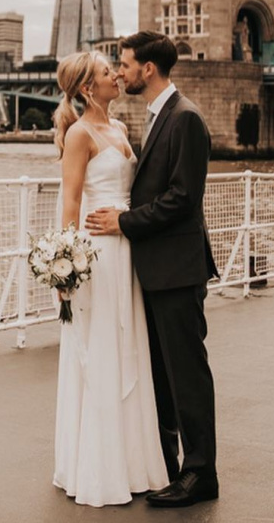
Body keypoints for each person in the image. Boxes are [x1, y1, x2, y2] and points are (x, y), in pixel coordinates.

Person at [86, 31, 219, 509]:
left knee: (187, 375)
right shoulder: (159, 115)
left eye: (124, 64)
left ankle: (201, 474)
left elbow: (182, 198)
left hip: (178, 269)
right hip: (158, 268)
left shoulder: (185, 118)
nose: (120, 72)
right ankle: (170, 466)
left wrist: (123, 222)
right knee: (163, 376)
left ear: (147, 69)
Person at [52, 50, 168, 507]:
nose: (116, 76)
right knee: (101, 348)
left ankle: (133, 463)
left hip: (127, 249)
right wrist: (66, 262)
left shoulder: (118, 128)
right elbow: (70, 201)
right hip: (98, 253)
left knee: (128, 347)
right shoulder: (79, 134)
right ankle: (100, 469)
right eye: (106, 73)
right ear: (87, 88)